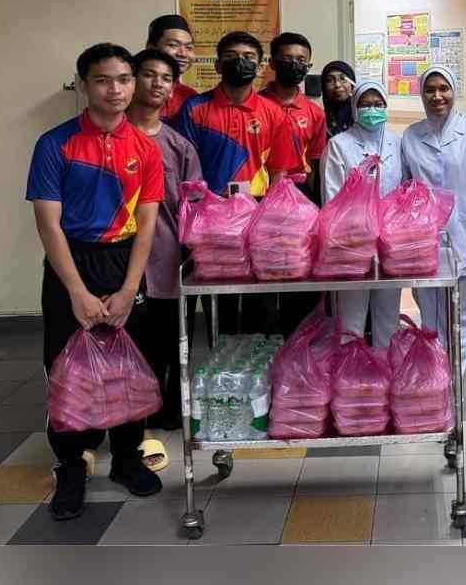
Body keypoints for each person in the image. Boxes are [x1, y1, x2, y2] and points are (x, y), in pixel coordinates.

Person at [26, 43, 165, 520]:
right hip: (71, 261)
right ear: (84, 85)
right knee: (67, 369)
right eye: (103, 80)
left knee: (131, 365)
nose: (116, 90)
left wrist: (128, 289)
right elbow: (48, 225)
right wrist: (76, 291)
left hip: (124, 262)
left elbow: (147, 225)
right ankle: (70, 466)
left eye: (124, 79)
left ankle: (126, 458)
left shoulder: (145, 147)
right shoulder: (54, 144)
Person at [174, 31, 301, 335]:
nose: (240, 63)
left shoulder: (274, 113)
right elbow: (185, 171)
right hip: (211, 216)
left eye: (248, 58)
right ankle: (223, 358)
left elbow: (279, 172)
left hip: (258, 211)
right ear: (217, 65)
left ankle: (260, 358)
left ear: (260, 66)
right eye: (231, 57)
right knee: (220, 300)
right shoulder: (194, 109)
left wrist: (272, 220)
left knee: (261, 296)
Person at [401, 66, 466, 377]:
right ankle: (434, 376)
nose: (437, 95)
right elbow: (404, 190)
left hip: (463, 235)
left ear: (454, 91)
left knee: (461, 318)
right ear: (422, 94)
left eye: (444, 88)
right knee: (429, 316)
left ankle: (454, 381)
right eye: (430, 89)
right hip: (421, 242)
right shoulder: (411, 136)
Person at [126, 48, 202, 434]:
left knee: (171, 340)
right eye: (149, 74)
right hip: (116, 258)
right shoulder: (109, 138)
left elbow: (194, 206)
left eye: (166, 78)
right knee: (128, 341)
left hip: (166, 258)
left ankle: (169, 409)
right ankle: (129, 416)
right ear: (132, 80)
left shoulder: (179, 146)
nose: (157, 84)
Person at [322, 81, 402, 347]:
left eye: (378, 104)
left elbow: (403, 190)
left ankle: (384, 365)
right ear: (355, 108)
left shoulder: (396, 143)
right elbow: (332, 199)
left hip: (391, 244)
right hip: (351, 244)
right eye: (366, 105)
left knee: (388, 316)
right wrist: (353, 234)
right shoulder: (338, 145)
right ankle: (350, 368)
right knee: (351, 319)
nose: (372, 110)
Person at [261, 32, 328, 335]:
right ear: (273, 63)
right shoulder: (257, 104)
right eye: (287, 59)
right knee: (263, 271)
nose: (294, 64)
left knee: (298, 269)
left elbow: (316, 163)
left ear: (309, 65)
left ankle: (298, 338)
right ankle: (263, 339)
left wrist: (315, 205)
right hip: (261, 197)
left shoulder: (314, 112)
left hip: (300, 198)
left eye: (301, 60)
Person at [146, 14, 198, 120]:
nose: (183, 54)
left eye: (189, 47)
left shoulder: (190, 96)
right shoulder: (131, 90)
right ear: (151, 48)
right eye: (173, 45)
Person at [321, 60, 357, 139]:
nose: (337, 85)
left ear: (352, 84)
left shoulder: (361, 117)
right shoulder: (319, 119)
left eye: (343, 78)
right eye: (329, 80)